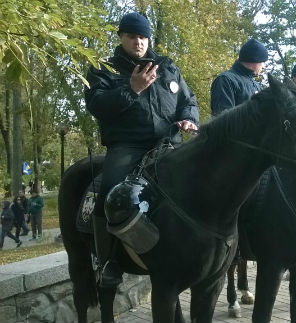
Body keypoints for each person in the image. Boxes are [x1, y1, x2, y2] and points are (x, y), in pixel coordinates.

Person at [85, 12, 200, 287]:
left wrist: (190, 119)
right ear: (121, 37)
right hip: (128, 145)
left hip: (171, 144)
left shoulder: (167, 66)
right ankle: (108, 260)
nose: (139, 42)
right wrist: (131, 88)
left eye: (143, 37)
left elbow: (188, 99)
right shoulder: (104, 69)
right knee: (109, 192)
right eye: (132, 36)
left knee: (206, 183)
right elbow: (97, 105)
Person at [210, 38, 268, 116]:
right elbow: (223, 120)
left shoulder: (257, 86)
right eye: (263, 62)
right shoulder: (226, 80)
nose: (263, 66)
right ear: (254, 60)